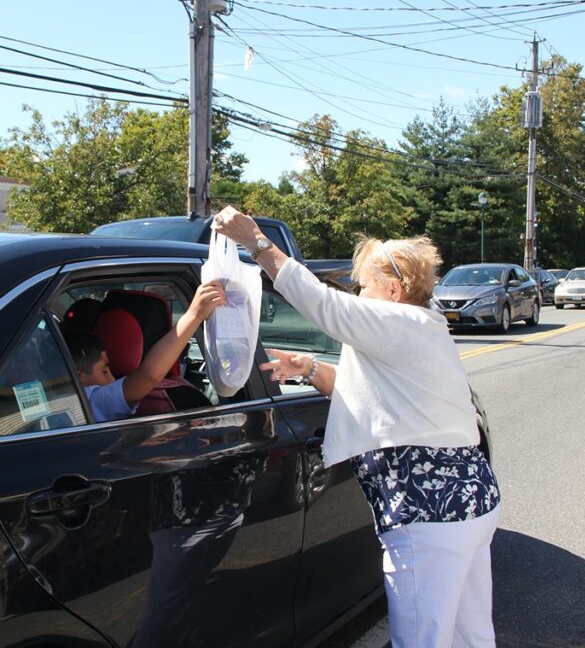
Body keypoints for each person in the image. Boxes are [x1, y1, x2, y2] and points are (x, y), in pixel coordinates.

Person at [213, 206, 500, 648]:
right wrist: (309, 368)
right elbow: (364, 395)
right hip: (466, 505)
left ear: (393, 289)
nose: (358, 294)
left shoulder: (399, 321)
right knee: (468, 634)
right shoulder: (418, 328)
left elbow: (323, 305)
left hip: (429, 514)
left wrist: (256, 241)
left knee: (423, 640)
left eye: (363, 286)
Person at [74, 281, 225, 422]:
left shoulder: (58, 401)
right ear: (79, 377)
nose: (113, 379)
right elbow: (149, 375)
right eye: (105, 371)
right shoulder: (90, 402)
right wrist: (195, 315)